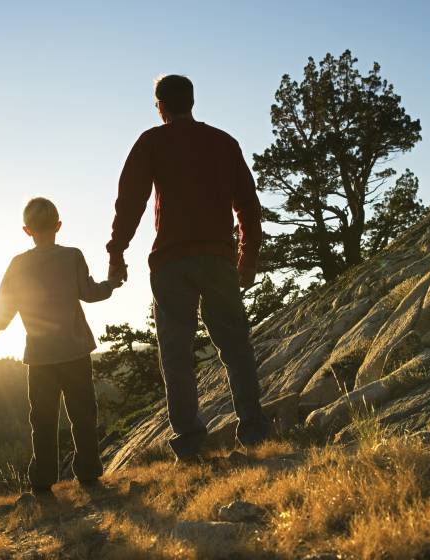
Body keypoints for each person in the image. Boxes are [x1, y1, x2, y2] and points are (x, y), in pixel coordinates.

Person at [106, 74, 271, 462]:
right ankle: (254, 429)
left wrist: (117, 250)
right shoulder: (223, 142)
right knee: (235, 346)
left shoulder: (152, 141)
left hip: (171, 261)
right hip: (218, 257)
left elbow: (130, 200)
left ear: (160, 105)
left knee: (176, 354)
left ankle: (191, 443)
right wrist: (248, 256)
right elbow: (248, 205)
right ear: (192, 102)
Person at [0, 197, 121, 492]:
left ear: (27, 230)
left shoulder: (18, 265)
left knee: (43, 419)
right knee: (83, 415)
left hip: (40, 357)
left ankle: (43, 478)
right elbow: (89, 293)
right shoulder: (72, 256)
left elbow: (4, 309)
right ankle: (88, 470)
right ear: (58, 225)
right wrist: (112, 285)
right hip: (75, 352)